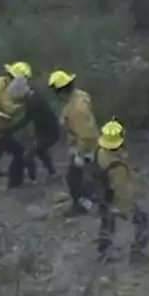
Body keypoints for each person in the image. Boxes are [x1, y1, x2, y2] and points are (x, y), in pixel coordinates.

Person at [90, 120, 149, 264]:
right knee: (145, 221)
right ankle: (136, 252)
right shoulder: (117, 167)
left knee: (107, 223)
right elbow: (123, 192)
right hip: (113, 198)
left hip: (101, 195)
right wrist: (126, 210)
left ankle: (104, 252)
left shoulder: (100, 152)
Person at [49, 69, 98, 216]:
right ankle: (91, 199)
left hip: (85, 146)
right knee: (89, 175)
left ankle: (83, 205)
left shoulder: (76, 110)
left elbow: (85, 134)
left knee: (74, 179)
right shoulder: (81, 96)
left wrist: (80, 154)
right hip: (89, 142)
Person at [0, 61, 33, 189]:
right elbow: (10, 109)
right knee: (18, 150)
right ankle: (15, 181)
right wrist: (24, 103)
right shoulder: (5, 91)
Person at [14, 82, 61, 182]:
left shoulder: (33, 101)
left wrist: (13, 128)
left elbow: (29, 118)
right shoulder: (34, 97)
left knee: (28, 154)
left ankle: (33, 179)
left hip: (49, 132)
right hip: (49, 131)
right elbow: (29, 118)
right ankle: (52, 173)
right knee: (40, 151)